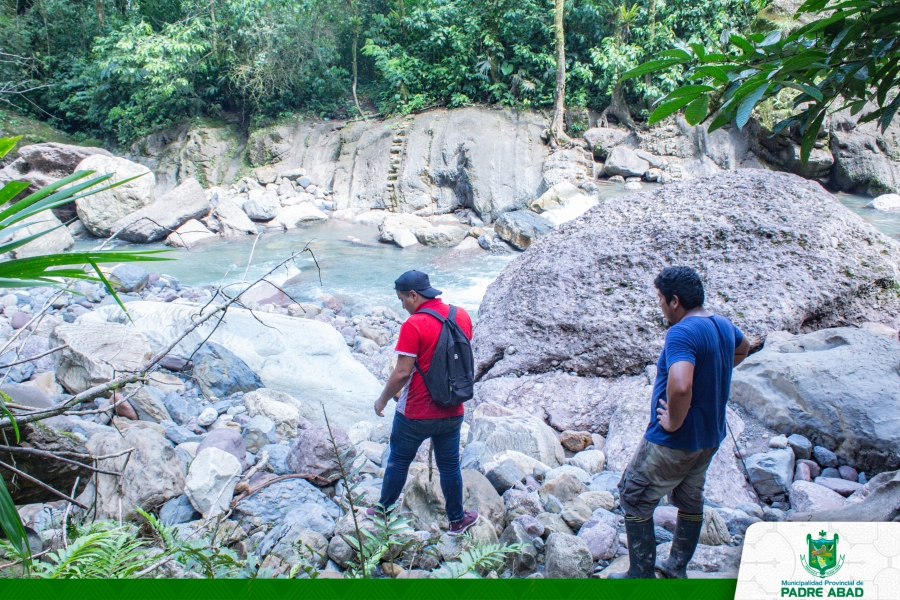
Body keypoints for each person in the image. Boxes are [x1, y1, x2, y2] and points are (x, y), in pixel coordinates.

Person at [611, 266, 750, 579]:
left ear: (675, 301)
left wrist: (673, 421)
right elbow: (744, 347)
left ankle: (641, 576)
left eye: (660, 300)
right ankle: (676, 569)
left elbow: (681, 384)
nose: (660, 306)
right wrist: (714, 372)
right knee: (690, 498)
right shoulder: (722, 324)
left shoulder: (681, 332)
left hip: (674, 441)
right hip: (709, 438)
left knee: (633, 496)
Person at [369, 270, 479, 535]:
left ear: (414, 295)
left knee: (398, 461)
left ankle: (383, 511)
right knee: (450, 465)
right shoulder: (461, 315)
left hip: (416, 412)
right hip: (453, 408)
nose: (402, 305)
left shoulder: (414, 325)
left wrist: (382, 400)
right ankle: (456, 520)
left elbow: (402, 372)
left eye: (402, 300)